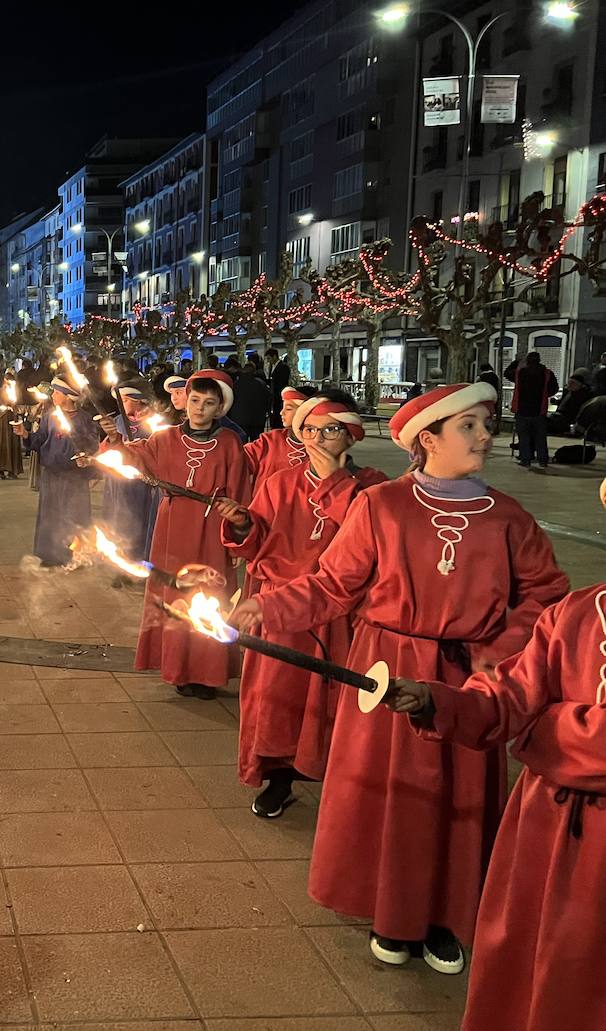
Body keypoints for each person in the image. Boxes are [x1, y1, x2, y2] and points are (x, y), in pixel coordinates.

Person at [231, 382, 568, 975]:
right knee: (390, 793)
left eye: (485, 424)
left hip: (467, 680)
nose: (485, 436)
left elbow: (546, 595)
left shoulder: (509, 517)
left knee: (455, 797)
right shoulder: (382, 505)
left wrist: (496, 654)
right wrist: (267, 607)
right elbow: (334, 585)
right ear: (427, 439)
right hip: (384, 666)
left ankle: (444, 914)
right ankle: (389, 910)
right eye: (468, 426)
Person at [385, 499, 606, 1030]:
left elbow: (536, 720)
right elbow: (510, 694)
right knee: (532, 968)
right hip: (547, 832)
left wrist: (545, 732)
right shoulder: (576, 613)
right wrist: (440, 701)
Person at [215, 391, 386, 817]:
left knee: (335, 699)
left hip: (338, 615)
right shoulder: (280, 483)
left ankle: (341, 780)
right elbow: (257, 543)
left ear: (351, 435)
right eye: (309, 430)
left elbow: (372, 543)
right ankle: (280, 778)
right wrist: (243, 525)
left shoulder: (373, 489)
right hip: (279, 608)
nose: (317, 439)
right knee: (277, 698)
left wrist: (334, 482)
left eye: (330, 430)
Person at [100, 369, 249, 700]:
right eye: (195, 401)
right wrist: (115, 440)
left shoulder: (229, 443)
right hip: (172, 527)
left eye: (208, 403)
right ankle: (178, 668)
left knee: (211, 593)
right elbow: (134, 459)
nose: (199, 409)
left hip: (212, 529)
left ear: (219, 407)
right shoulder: (164, 438)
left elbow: (239, 493)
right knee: (175, 597)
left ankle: (208, 672)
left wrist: (238, 534)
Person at [13, 377, 96, 567]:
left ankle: (75, 556)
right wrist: (25, 434)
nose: (53, 396)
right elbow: (40, 439)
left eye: (57, 392)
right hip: (52, 474)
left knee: (74, 515)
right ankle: (50, 554)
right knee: (51, 515)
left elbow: (92, 445)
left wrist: (86, 458)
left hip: (74, 476)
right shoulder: (50, 416)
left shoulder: (84, 419)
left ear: (68, 396)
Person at [100, 381, 158, 586]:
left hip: (140, 486)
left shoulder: (152, 424)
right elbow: (105, 449)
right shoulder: (116, 421)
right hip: (117, 483)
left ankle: (140, 567)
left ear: (139, 401)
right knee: (118, 523)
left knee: (140, 524)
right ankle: (121, 567)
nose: (121, 404)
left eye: (125, 400)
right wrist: (109, 442)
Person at [244, 385, 317, 485]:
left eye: (288, 408)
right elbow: (239, 460)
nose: (281, 413)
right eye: (283, 408)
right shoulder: (269, 441)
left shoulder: (319, 445)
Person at [511, 351, 559, 470]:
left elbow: (507, 373)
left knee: (524, 437)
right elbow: (554, 388)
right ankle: (543, 460)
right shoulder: (547, 373)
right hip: (539, 410)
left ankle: (525, 460)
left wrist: (517, 361)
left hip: (522, 410)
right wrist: (544, 395)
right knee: (540, 438)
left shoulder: (520, 372)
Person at [0, 380, 25, 481]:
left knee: (13, 444)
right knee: (2, 444)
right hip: (2, 422)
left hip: (13, 420)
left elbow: (20, 405)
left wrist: (14, 407)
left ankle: (12, 471)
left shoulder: (15, 391)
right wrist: (4, 407)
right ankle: (1, 470)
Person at [229, 362, 272, 440]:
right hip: (258, 419)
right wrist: (267, 412)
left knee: (241, 442)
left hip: (239, 419)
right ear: (253, 373)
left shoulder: (235, 385)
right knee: (256, 443)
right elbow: (268, 399)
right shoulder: (261, 384)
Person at [264, 347, 291, 428]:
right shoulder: (272, 367)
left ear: (274, 356)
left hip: (279, 396)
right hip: (274, 396)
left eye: (269, 358)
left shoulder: (283, 367)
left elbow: (282, 382)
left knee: (278, 416)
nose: (268, 361)